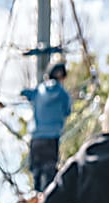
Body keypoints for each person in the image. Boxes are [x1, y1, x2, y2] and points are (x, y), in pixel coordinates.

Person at [22, 62, 72, 193]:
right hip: (52, 139)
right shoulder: (63, 93)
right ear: (62, 77)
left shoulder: (39, 90)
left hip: (36, 139)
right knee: (50, 177)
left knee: (36, 176)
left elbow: (25, 93)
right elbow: (67, 111)